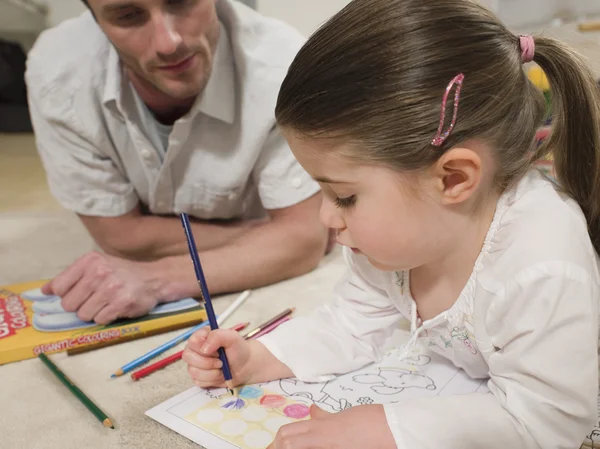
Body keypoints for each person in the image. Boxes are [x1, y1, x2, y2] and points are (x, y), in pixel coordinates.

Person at [182, 0, 600, 448]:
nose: (328, 218)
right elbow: (350, 323)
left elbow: (549, 421)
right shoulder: (388, 245)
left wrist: (388, 429)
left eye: (345, 196)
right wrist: (258, 357)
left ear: (454, 178)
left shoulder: (542, 266)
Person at [24, 0, 330, 325]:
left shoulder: (282, 63)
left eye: (181, 1)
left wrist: (156, 278)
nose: (168, 42)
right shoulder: (57, 71)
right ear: (95, 19)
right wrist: (273, 236)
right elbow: (120, 238)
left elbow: (302, 244)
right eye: (129, 16)